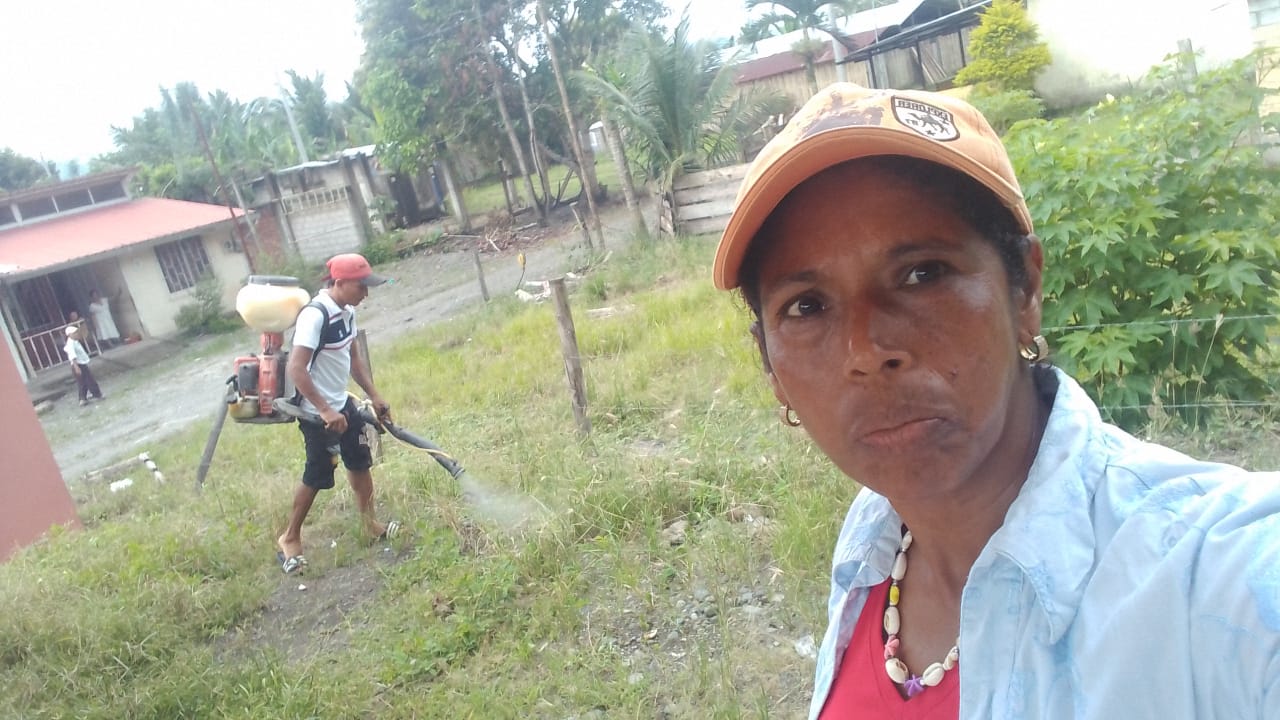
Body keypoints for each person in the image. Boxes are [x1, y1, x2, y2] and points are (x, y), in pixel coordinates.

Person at [712, 84, 1280, 719]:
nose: (866, 349)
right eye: (807, 306)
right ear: (771, 368)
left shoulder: (1218, 580)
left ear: (1025, 290)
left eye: (922, 273)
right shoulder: (874, 541)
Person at [277, 253, 397, 574]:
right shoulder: (315, 316)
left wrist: (374, 395)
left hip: (342, 404)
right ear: (340, 283)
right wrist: (324, 409)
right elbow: (296, 368)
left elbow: (353, 359)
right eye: (361, 286)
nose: (366, 293)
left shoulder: (347, 312)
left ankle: (369, 524)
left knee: (360, 461)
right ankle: (290, 537)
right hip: (316, 412)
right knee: (318, 473)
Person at [63, 325, 103, 406]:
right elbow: (72, 356)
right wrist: (76, 367)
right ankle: (97, 394)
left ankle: (83, 399)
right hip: (78, 364)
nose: (77, 334)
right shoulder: (70, 344)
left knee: (82, 382)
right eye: (75, 333)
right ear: (70, 335)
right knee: (89, 380)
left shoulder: (75, 341)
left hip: (81, 363)